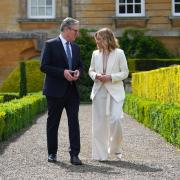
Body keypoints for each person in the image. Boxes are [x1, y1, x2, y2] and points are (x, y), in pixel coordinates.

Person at [40, 17, 83, 165]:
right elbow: (43, 66)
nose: (77, 34)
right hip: (54, 91)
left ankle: (75, 155)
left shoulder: (76, 48)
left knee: (74, 123)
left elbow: (79, 66)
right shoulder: (50, 44)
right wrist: (62, 72)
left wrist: (78, 72)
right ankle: (52, 153)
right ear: (66, 29)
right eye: (75, 30)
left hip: (72, 92)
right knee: (53, 123)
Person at [89, 28, 129, 161]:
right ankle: (100, 155)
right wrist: (96, 75)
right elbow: (91, 70)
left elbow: (125, 73)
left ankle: (115, 148)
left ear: (107, 39)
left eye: (99, 39)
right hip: (99, 89)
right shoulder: (95, 53)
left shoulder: (119, 53)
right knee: (99, 123)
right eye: (97, 39)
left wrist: (111, 77)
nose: (97, 41)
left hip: (115, 91)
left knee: (116, 119)